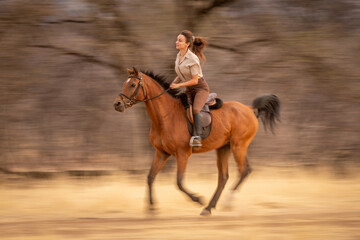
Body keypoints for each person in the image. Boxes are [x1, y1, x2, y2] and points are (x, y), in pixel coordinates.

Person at [170, 30, 209, 147]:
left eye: (180, 41)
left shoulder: (193, 58)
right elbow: (181, 74)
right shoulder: (179, 56)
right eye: (177, 40)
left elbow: (195, 80)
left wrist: (179, 85)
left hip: (200, 89)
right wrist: (173, 83)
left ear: (187, 44)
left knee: (196, 110)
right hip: (189, 89)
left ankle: (197, 137)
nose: (177, 42)